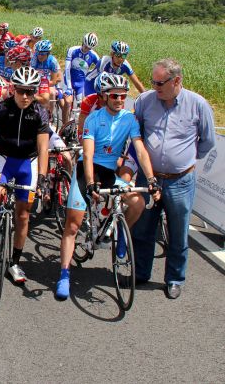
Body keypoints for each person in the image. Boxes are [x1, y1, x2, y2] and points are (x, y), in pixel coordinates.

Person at [55, 74, 160, 300]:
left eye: (123, 96)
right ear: (104, 96)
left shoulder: (129, 120)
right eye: (114, 96)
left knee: (137, 201)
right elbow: (89, 153)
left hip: (110, 173)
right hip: (88, 170)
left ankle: (120, 234)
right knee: (72, 226)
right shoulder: (94, 119)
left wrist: (150, 179)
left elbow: (140, 150)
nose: (119, 100)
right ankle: (64, 273)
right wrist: (91, 182)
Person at [131, 58, 216, 300]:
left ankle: (174, 279)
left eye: (159, 83)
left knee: (178, 234)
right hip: (149, 178)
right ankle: (141, 273)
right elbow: (136, 134)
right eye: (153, 82)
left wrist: (183, 160)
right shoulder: (145, 101)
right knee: (143, 228)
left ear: (176, 81)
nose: (155, 87)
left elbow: (207, 141)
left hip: (180, 181)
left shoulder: (198, 105)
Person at [0, 67, 49, 284]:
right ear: (13, 89)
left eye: (30, 92)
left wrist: (43, 178)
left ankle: (14, 262)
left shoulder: (40, 112)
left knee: (23, 215)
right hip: (5, 161)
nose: (25, 96)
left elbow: (43, 149)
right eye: (21, 91)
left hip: (28, 164)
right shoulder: (2, 109)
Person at [63, 32, 100, 124]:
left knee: (81, 107)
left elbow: (100, 70)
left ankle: (78, 129)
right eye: (85, 46)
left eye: (89, 48)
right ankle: (64, 126)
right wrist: (68, 86)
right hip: (69, 80)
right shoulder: (73, 50)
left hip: (81, 84)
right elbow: (67, 69)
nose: (86, 49)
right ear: (82, 42)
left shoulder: (94, 55)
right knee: (68, 103)